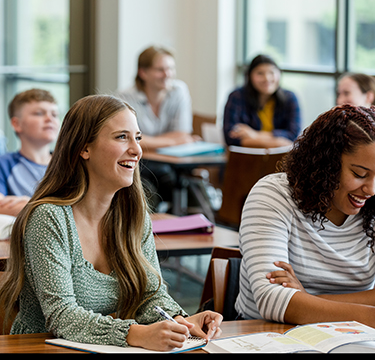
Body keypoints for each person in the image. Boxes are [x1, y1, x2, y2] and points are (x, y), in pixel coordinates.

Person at [0, 94, 222, 351]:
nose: (137, 150)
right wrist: (136, 334)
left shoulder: (134, 217)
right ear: (84, 148)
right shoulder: (48, 217)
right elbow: (62, 316)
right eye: (121, 137)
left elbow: (151, 295)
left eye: (137, 138)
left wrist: (180, 320)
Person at [235, 104, 375, 327]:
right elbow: (272, 299)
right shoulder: (273, 195)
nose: (371, 189)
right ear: (327, 163)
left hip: (350, 339)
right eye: (360, 174)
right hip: (265, 336)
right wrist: (367, 314)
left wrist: (307, 300)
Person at [117, 46, 200, 210]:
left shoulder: (179, 91)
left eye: (170, 69)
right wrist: (172, 141)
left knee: (192, 192)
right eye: (160, 70)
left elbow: (182, 133)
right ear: (143, 73)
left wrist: (147, 140)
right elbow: (129, 140)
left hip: (170, 164)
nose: (167, 74)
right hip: (139, 163)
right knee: (148, 193)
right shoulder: (124, 98)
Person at [0, 88, 60, 217]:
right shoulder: (4, 164)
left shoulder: (70, 163)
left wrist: (29, 204)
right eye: (39, 113)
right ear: (16, 124)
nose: (49, 119)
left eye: (54, 114)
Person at [223, 54, 301, 148]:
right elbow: (231, 138)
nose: (267, 78)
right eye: (260, 73)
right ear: (249, 75)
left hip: (281, 158)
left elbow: (293, 135)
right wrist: (276, 142)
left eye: (272, 73)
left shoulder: (290, 98)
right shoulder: (237, 97)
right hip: (246, 158)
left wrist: (254, 134)